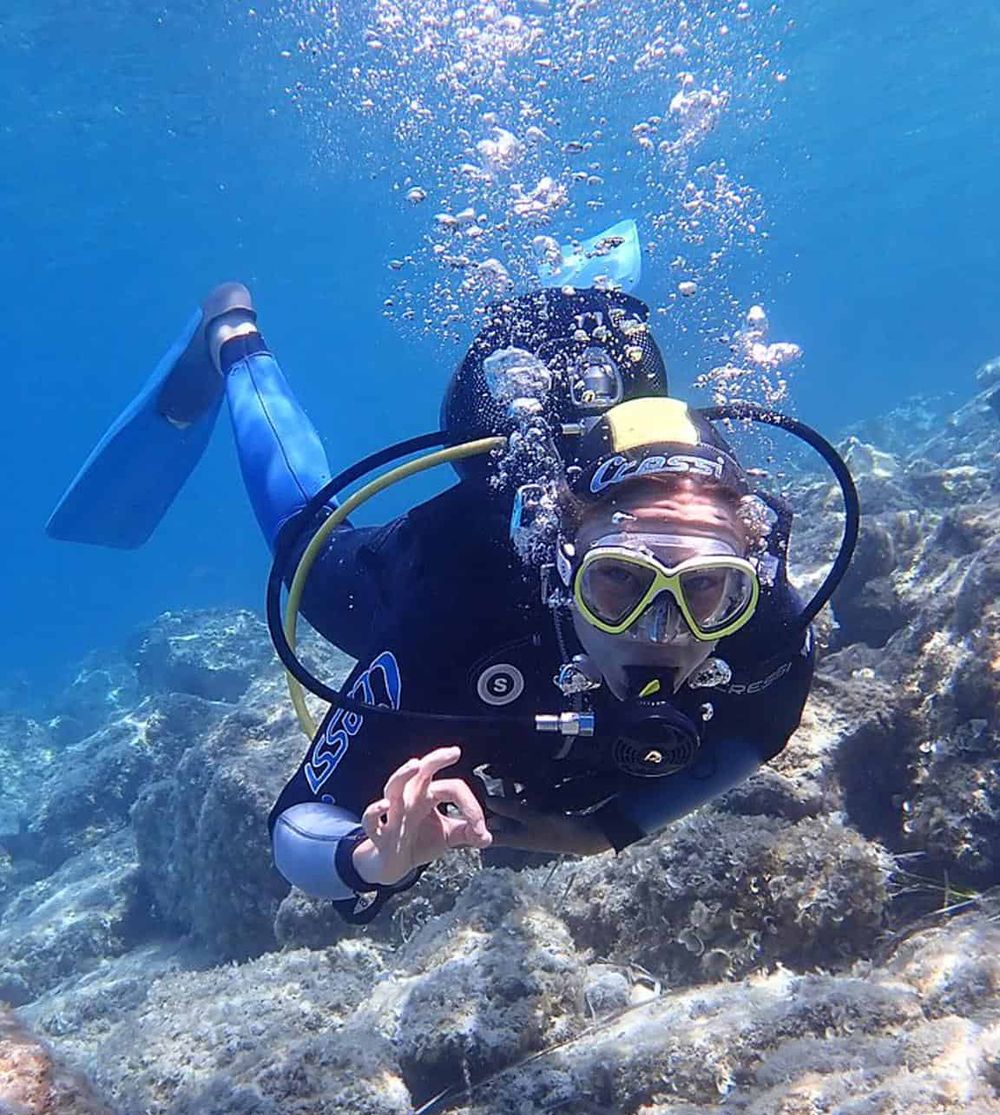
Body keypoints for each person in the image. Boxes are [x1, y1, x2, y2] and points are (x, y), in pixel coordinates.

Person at [50, 284, 847, 924]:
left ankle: (579, 356)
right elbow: (298, 823)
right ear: (562, 559)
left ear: (749, 573)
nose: (662, 630)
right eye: (619, 580)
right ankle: (233, 341)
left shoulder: (768, 625)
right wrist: (373, 860)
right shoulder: (452, 617)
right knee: (301, 529)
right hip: (397, 576)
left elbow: (758, 730)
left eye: (708, 589)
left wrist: (603, 830)